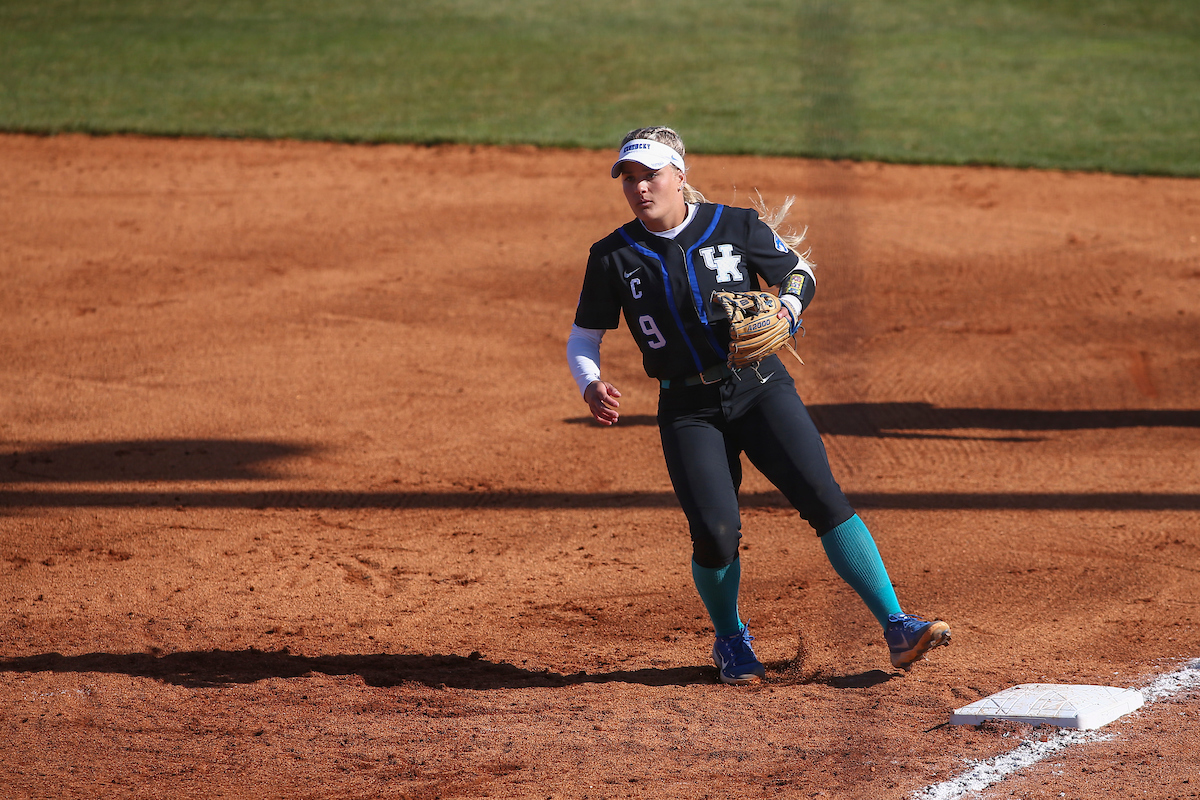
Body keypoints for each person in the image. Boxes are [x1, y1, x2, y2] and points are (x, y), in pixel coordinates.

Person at [566, 126, 951, 685]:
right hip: (687, 407)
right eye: (629, 178)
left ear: (679, 175)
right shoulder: (613, 255)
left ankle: (897, 625)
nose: (639, 187)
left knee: (822, 497)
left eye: (650, 175)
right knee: (715, 532)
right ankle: (731, 640)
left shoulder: (735, 225)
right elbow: (585, 336)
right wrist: (590, 382)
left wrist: (789, 310)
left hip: (761, 386)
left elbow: (799, 271)